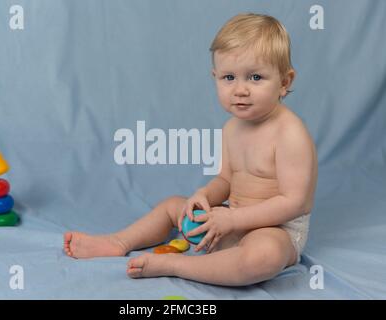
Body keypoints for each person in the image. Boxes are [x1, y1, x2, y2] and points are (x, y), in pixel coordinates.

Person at [63, 13, 318, 286]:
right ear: (215, 77)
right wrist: (204, 195)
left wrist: (234, 219)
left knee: (263, 257)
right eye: (229, 77)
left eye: (255, 77)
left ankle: (178, 265)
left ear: (285, 82)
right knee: (175, 205)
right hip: (231, 221)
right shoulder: (232, 128)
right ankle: (118, 241)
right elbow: (226, 181)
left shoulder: (289, 133)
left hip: (274, 231)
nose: (240, 90)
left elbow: (295, 203)